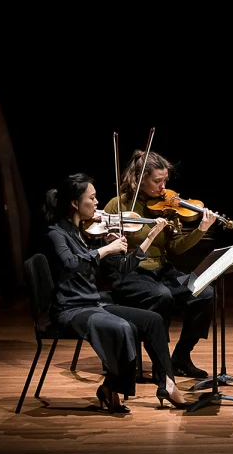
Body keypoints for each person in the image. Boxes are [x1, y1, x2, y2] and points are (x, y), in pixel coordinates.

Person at [43, 173, 190, 412]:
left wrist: (148, 238)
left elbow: (122, 269)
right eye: (92, 198)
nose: (98, 203)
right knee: (125, 328)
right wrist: (105, 249)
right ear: (75, 203)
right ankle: (110, 388)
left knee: (152, 321)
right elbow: (70, 263)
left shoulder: (86, 233)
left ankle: (167, 383)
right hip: (70, 309)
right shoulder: (56, 234)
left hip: (92, 303)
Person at [102, 149, 217, 379]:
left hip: (161, 270)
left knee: (205, 293)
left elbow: (175, 247)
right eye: (157, 181)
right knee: (162, 296)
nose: (164, 187)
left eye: (165, 180)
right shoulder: (117, 206)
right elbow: (105, 249)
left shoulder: (166, 205)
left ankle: (181, 357)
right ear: (140, 179)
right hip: (129, 273)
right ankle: (160, 362)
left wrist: (200, 230)